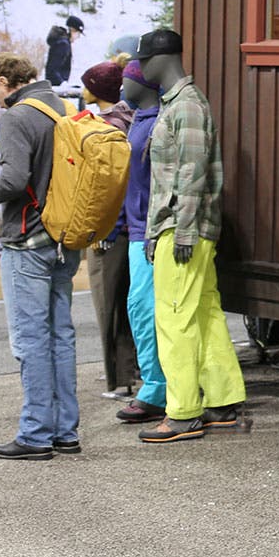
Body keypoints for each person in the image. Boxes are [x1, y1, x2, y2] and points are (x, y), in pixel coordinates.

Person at [0, 55, 81, 461]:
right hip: (65, 238)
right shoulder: (64, 107)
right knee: (60, 336)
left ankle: (35, 434)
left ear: (5, 81)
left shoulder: (17, 116)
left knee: (31, 340)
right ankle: (65, 431)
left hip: (27, 241)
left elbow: (13, 180)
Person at [135, 28, 245, 443]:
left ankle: (182, 413)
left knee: (174, 319)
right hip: (188, 228)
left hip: (184, 230)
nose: (140, 67)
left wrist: (179, 229)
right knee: (203, 314)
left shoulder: (187, 106)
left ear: (159, 60)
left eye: (144, 60)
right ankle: (221, 401)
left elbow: (190, 173)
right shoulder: (182, 104)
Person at [80, 60, 137, 397]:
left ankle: (120, 380)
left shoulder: (105, 128)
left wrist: (104, 229)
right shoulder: (131, 118)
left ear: (97, 89)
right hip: (133, 226)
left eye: (87, 83)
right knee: (128, 304)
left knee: (108, 305)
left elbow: (106, 186)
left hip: (110, 229)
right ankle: (132, 371)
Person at [115, 61, 167, 424]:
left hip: (149, 232)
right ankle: (156, 385)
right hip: (138, 230)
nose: (121, 86)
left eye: (125, 80)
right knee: (142, 310)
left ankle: (155, 390)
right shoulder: (139, 120)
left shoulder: (156, 122)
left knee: (146, 311)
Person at [44, 14, 84, 88]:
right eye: (78, 33)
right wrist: (62, 84)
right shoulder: (63, 44)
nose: (78, 37)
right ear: (72, 30)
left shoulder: (61, 42)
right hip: (56, 86)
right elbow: (53, 69)